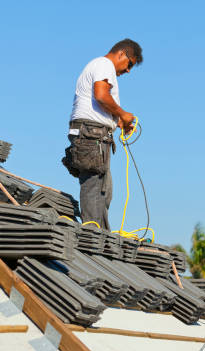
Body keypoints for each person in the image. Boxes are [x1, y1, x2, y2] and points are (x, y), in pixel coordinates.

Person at [62, 39, 143, 230]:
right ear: (121, 54)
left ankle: (100, 234)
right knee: (94, 188)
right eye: (129, 64)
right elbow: (100, 94)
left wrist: (118, 120)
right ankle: (93, 235)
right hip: (92, 134)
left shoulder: (100, 66)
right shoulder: (104, 64)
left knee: (105, 191)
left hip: (94, 133)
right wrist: (122, 113)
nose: (128, 70)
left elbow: (100, 102)